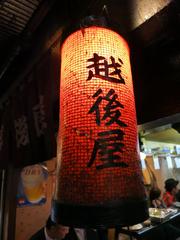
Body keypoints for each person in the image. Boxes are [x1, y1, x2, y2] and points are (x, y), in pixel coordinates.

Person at [30, 216, 99, 240]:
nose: (67, 232)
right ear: (53, 228)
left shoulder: (61, 236)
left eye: (67, 229)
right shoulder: (35, 239)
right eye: (64, 229)